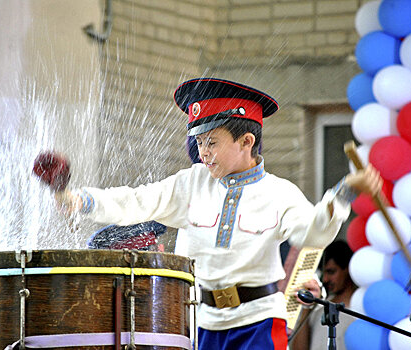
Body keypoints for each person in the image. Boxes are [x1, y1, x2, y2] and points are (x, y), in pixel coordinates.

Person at [52, 77, 382, 349]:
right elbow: (138, 200)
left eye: (211, 142)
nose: (202, 153)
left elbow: (310, 233)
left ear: (246, 141)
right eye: (198, 142)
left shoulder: (280, 193)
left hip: (258, 323)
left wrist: (343, 193)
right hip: (198, 321)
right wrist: (80, 200)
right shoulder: (190, 183)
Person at [289, 240, 357, 350]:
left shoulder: (360, 309)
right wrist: (306, 308)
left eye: (331, 272)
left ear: (347, 269)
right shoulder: (319, 308)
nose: (325, 279)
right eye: (323, 272)